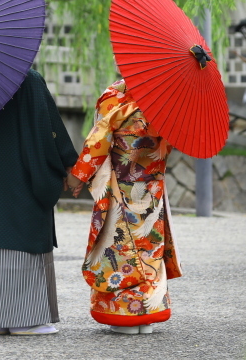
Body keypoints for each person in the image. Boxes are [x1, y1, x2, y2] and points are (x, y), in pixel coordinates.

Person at [65, 79, 181, 335]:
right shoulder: (171, 101)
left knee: (119, 250)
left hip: (122, 186)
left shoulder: (118, 99)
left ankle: (124, 313)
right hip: (152, 188)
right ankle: (148, 313)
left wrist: (78, 176)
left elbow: (98, 144)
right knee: (150, 249)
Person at [0, 68, 78, 336]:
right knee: (25, 225)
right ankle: (25, 319)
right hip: (22, 169)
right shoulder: (26, 78)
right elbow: (47, 129)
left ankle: (1, 317)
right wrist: (68, 163)